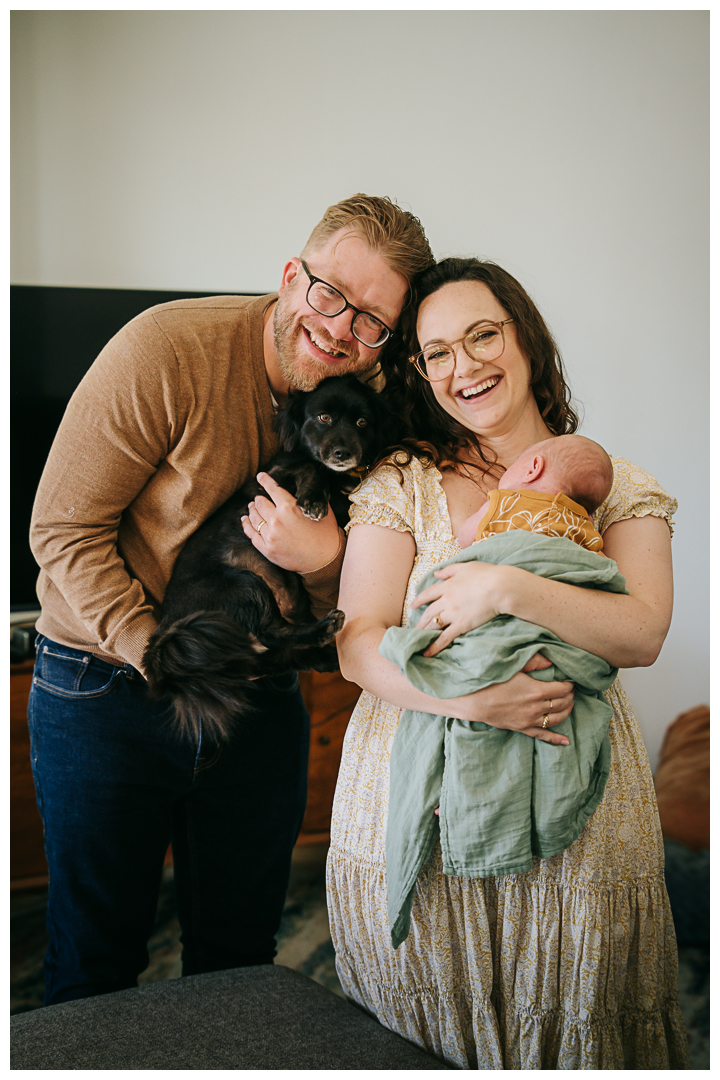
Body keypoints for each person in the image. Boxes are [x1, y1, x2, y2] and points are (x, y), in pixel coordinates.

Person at [27, 193, 434, 1005]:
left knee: (241, 963)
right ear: (292, 277)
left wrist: (329, 558)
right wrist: (169, 658)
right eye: (329, 293)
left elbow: (374, 572)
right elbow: (62, 528)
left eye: (372, 322)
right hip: (106, 682)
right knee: (96, 965)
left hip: (262, 687)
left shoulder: (374, 398)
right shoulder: (166, 350)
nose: (342, 329)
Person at [326, 257, 688, 1068]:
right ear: (420, 372)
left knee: (572, 1020)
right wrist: (467, 705)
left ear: (523, 336)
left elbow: (641, 632)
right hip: (413, 791)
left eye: (482, 335)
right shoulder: (401, 483)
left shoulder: (615, 485)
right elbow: (358, 642)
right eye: (439, 352)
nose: (467, 365)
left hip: (579, 806)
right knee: (418, 1035)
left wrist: (506, 587)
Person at [378, 433, 621, 948]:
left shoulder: (501, 505)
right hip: (551, 653)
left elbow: (470, 546)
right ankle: (531, 811)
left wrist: (498, 577)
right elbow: (594, 583)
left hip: (495, 642)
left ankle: (461, 798)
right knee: (543, 726)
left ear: (529, 466)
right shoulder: (586, 532)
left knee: (478, 720)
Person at [456, 433, 613, 550]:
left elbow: (464, 538)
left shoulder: (504, 502)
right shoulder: (584, 523)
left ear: (533, 469)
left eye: (517, 462)